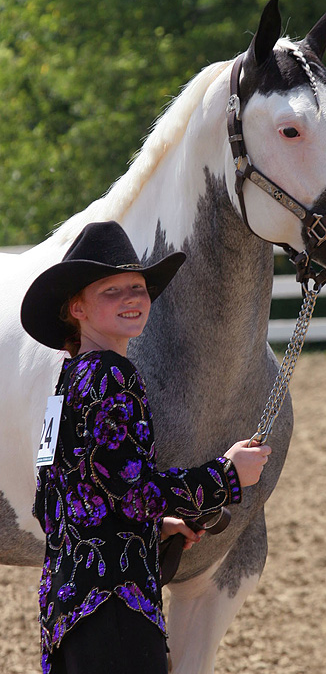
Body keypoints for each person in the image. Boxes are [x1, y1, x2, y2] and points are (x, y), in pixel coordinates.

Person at [21, 220, 271, 674]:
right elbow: (134, 492)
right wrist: (227, 474)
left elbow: (57, 501)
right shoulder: (112, 377)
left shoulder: (69, 379)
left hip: (68, 605)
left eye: (137, 286)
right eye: (111, 291)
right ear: (76, 308)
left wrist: (154, 527)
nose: (131, 298)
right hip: (115, 606)